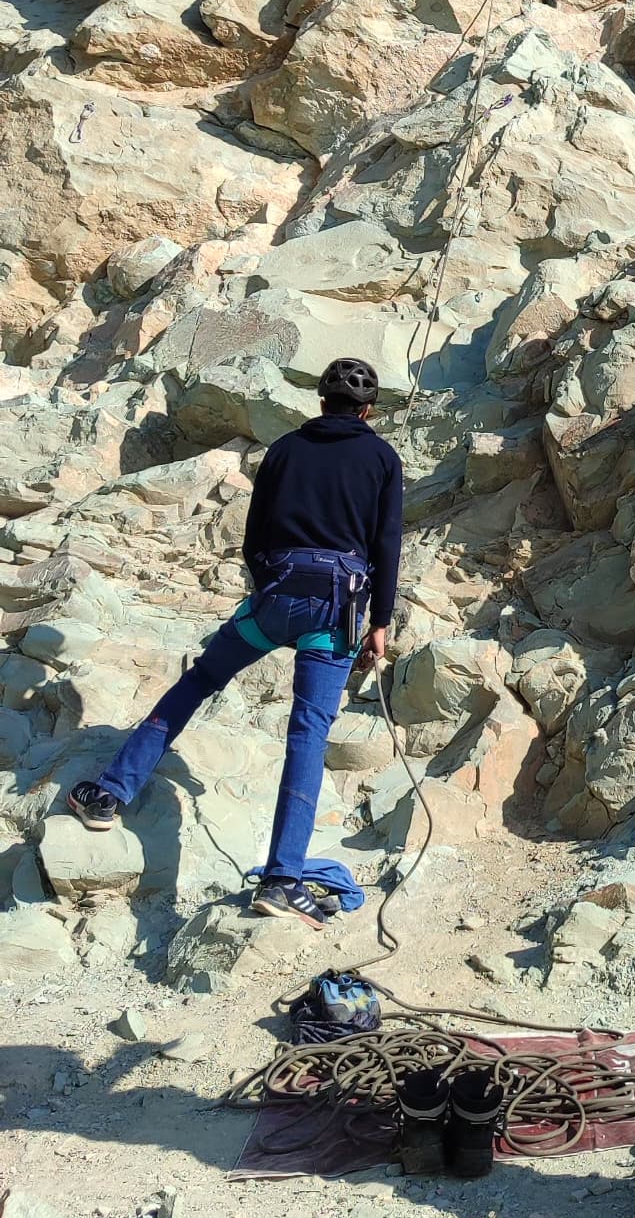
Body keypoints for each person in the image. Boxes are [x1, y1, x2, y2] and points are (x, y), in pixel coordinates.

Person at [65, 357, 404, 928]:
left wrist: (268, 586)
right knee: (308, 734)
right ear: (368, 411)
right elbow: (386, 545)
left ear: (321, 402)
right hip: (336, 609)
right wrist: (380, 621)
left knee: (200, 679)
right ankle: (282, 880)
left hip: (274, 600)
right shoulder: (382, 458)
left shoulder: (285, 450)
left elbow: (254, 537)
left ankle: (108, 795)